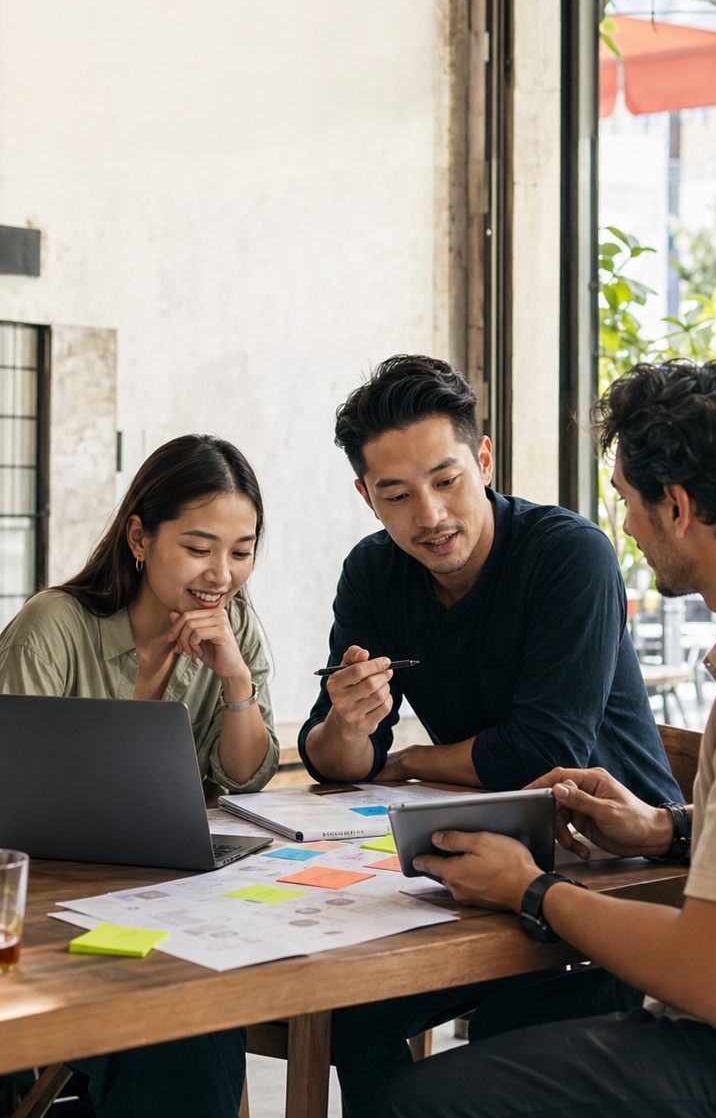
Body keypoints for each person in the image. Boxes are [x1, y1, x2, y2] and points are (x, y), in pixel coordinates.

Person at [389, 360, 716, 1118]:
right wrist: (665, 829)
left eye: (627, 500)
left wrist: (532, 890)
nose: (625, 525)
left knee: (425, 1101)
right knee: (502, 1033)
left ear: (678, 508)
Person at [299, 353, 681, 1117]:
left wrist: (405, 759)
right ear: (366, 498)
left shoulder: (567, 553)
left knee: (492, 1049)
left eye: (445, 480)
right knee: (345, 1015)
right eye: (397, 494)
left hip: (616, 869)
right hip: (481, 863)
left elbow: (541, 749)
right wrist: (347, 722)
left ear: (482, 459)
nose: (429, 516)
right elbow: (337, 758)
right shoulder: (374, 572)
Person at [0, 433, 279, 1118]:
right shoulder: (54, 626)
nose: (221, 573)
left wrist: (235, 680)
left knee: (199, 1018)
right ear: (138, 537)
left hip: (166, 910)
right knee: (174, 1037)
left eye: (241, 552)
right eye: (198, 546)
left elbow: (243, 779)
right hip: (43, 910)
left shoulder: (232, 628)